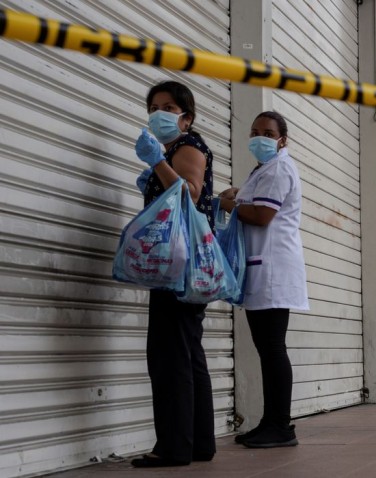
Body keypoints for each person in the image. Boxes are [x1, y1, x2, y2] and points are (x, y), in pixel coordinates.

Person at [131, 80, 216, 468]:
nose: (159, 112)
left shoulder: (188, 147)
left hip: (176, 263)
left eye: (169, 106)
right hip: (185, 261)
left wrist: (157, 164)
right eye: (154, 106)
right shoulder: (178, 149)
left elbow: (190, 193)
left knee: (169, 356)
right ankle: (198, 443)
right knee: (186, 352)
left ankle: (173, 447)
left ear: (187, 117)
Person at [217, 111, 309, 449]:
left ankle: (281, 426)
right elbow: (256, 203)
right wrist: (239, 195)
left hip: (273, 269)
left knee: (272, 349)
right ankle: (270, 422)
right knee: (267, 349)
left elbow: (262, 215)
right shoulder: (267, 169)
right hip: (264, 267)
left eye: (268, 132)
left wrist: (227, 203)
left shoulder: (280, 168)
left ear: (283, 139)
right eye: (255, 131)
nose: (260, 137)